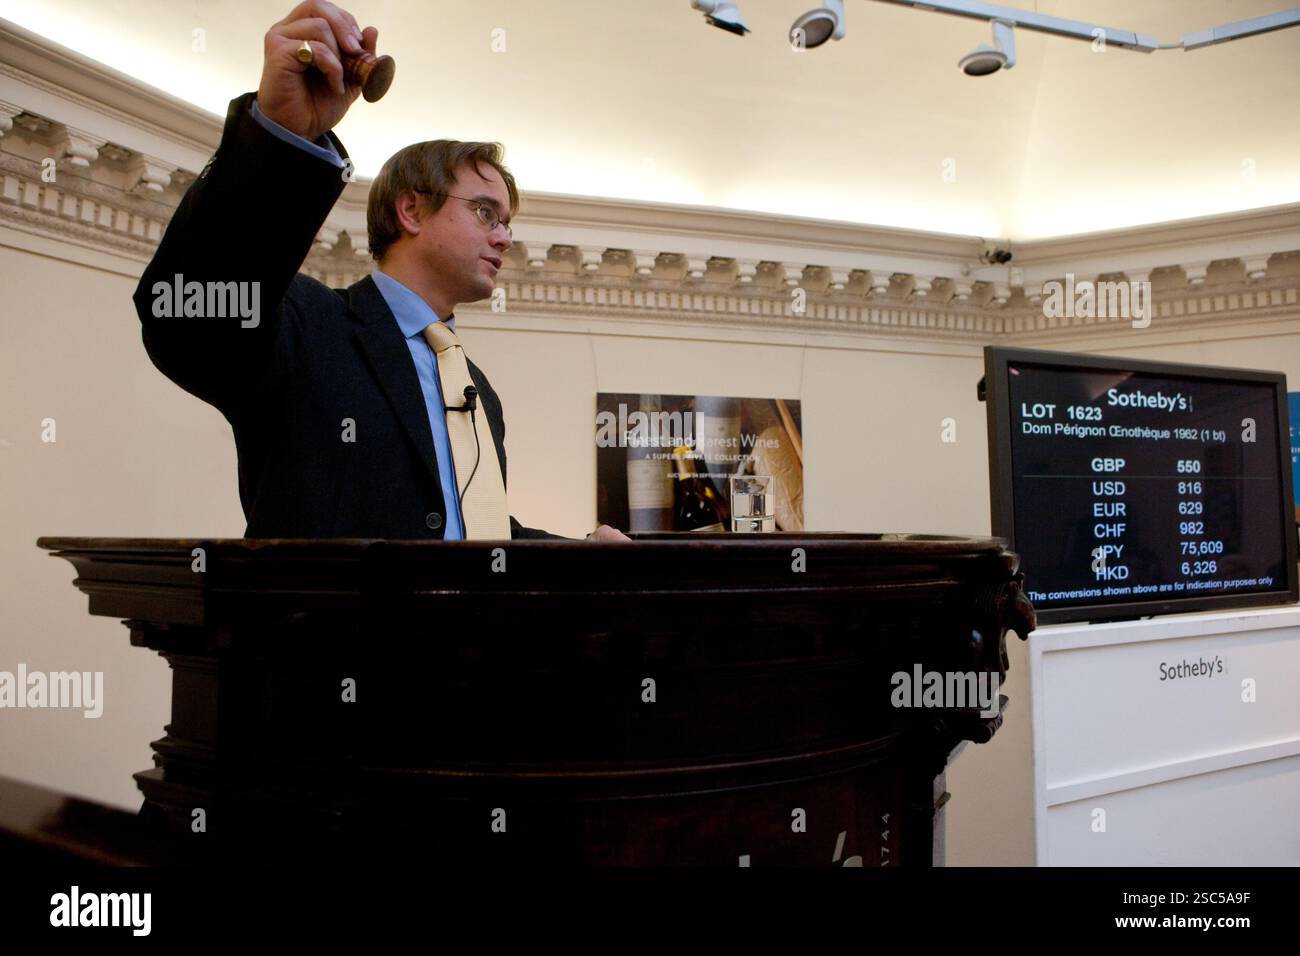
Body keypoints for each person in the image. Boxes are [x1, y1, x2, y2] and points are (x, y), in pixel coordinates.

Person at [133, 0, 628, 543]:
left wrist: (584, 557)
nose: (505, 237)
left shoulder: (476, 388)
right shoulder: (304, 322)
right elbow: (185, 314)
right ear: (411, 210)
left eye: (507, 221)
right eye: (485, 212)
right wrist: (280, 136)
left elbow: (469, 534)